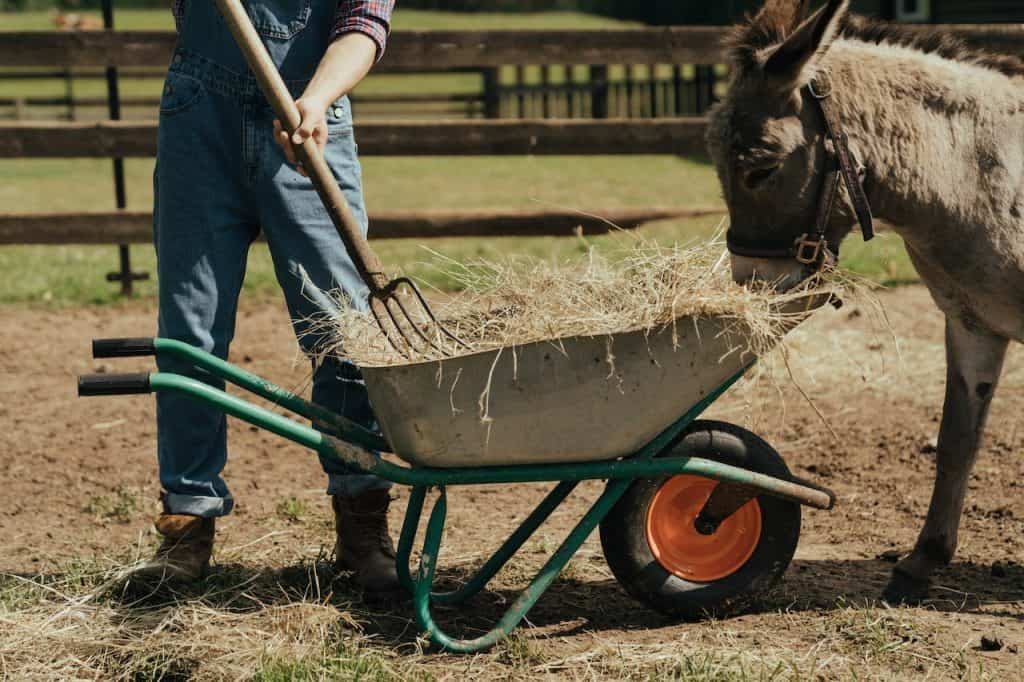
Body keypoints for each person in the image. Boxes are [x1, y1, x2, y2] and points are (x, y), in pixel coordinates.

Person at [137, 0, 399, 594]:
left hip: (312, 121)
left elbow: (364, 25)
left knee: (343, 329)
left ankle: (361, 526)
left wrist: (317, 97)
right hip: (200, 119)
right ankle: (187, 523)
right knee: (190, 333)